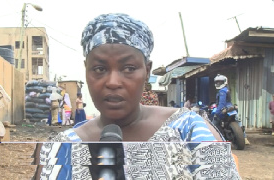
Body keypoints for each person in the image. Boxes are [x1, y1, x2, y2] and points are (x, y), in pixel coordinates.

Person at [38, 13, 240, 179]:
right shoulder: (62, 148)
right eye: (99, 69)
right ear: (86, 70)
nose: (113, 82)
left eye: (128, 68)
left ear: (147, 71)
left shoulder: (188, 130)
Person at [213, 74, 250, 145]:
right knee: (238, 121)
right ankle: (245, 138)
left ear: (224, 81)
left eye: (220, 82)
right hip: (231, 107)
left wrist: (217, 113)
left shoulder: (222, 91)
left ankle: (218, 140)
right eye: (217, 82)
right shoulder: (226, 90)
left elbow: (222, 103)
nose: (218, 84)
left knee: (214, 123)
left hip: (224, 109)